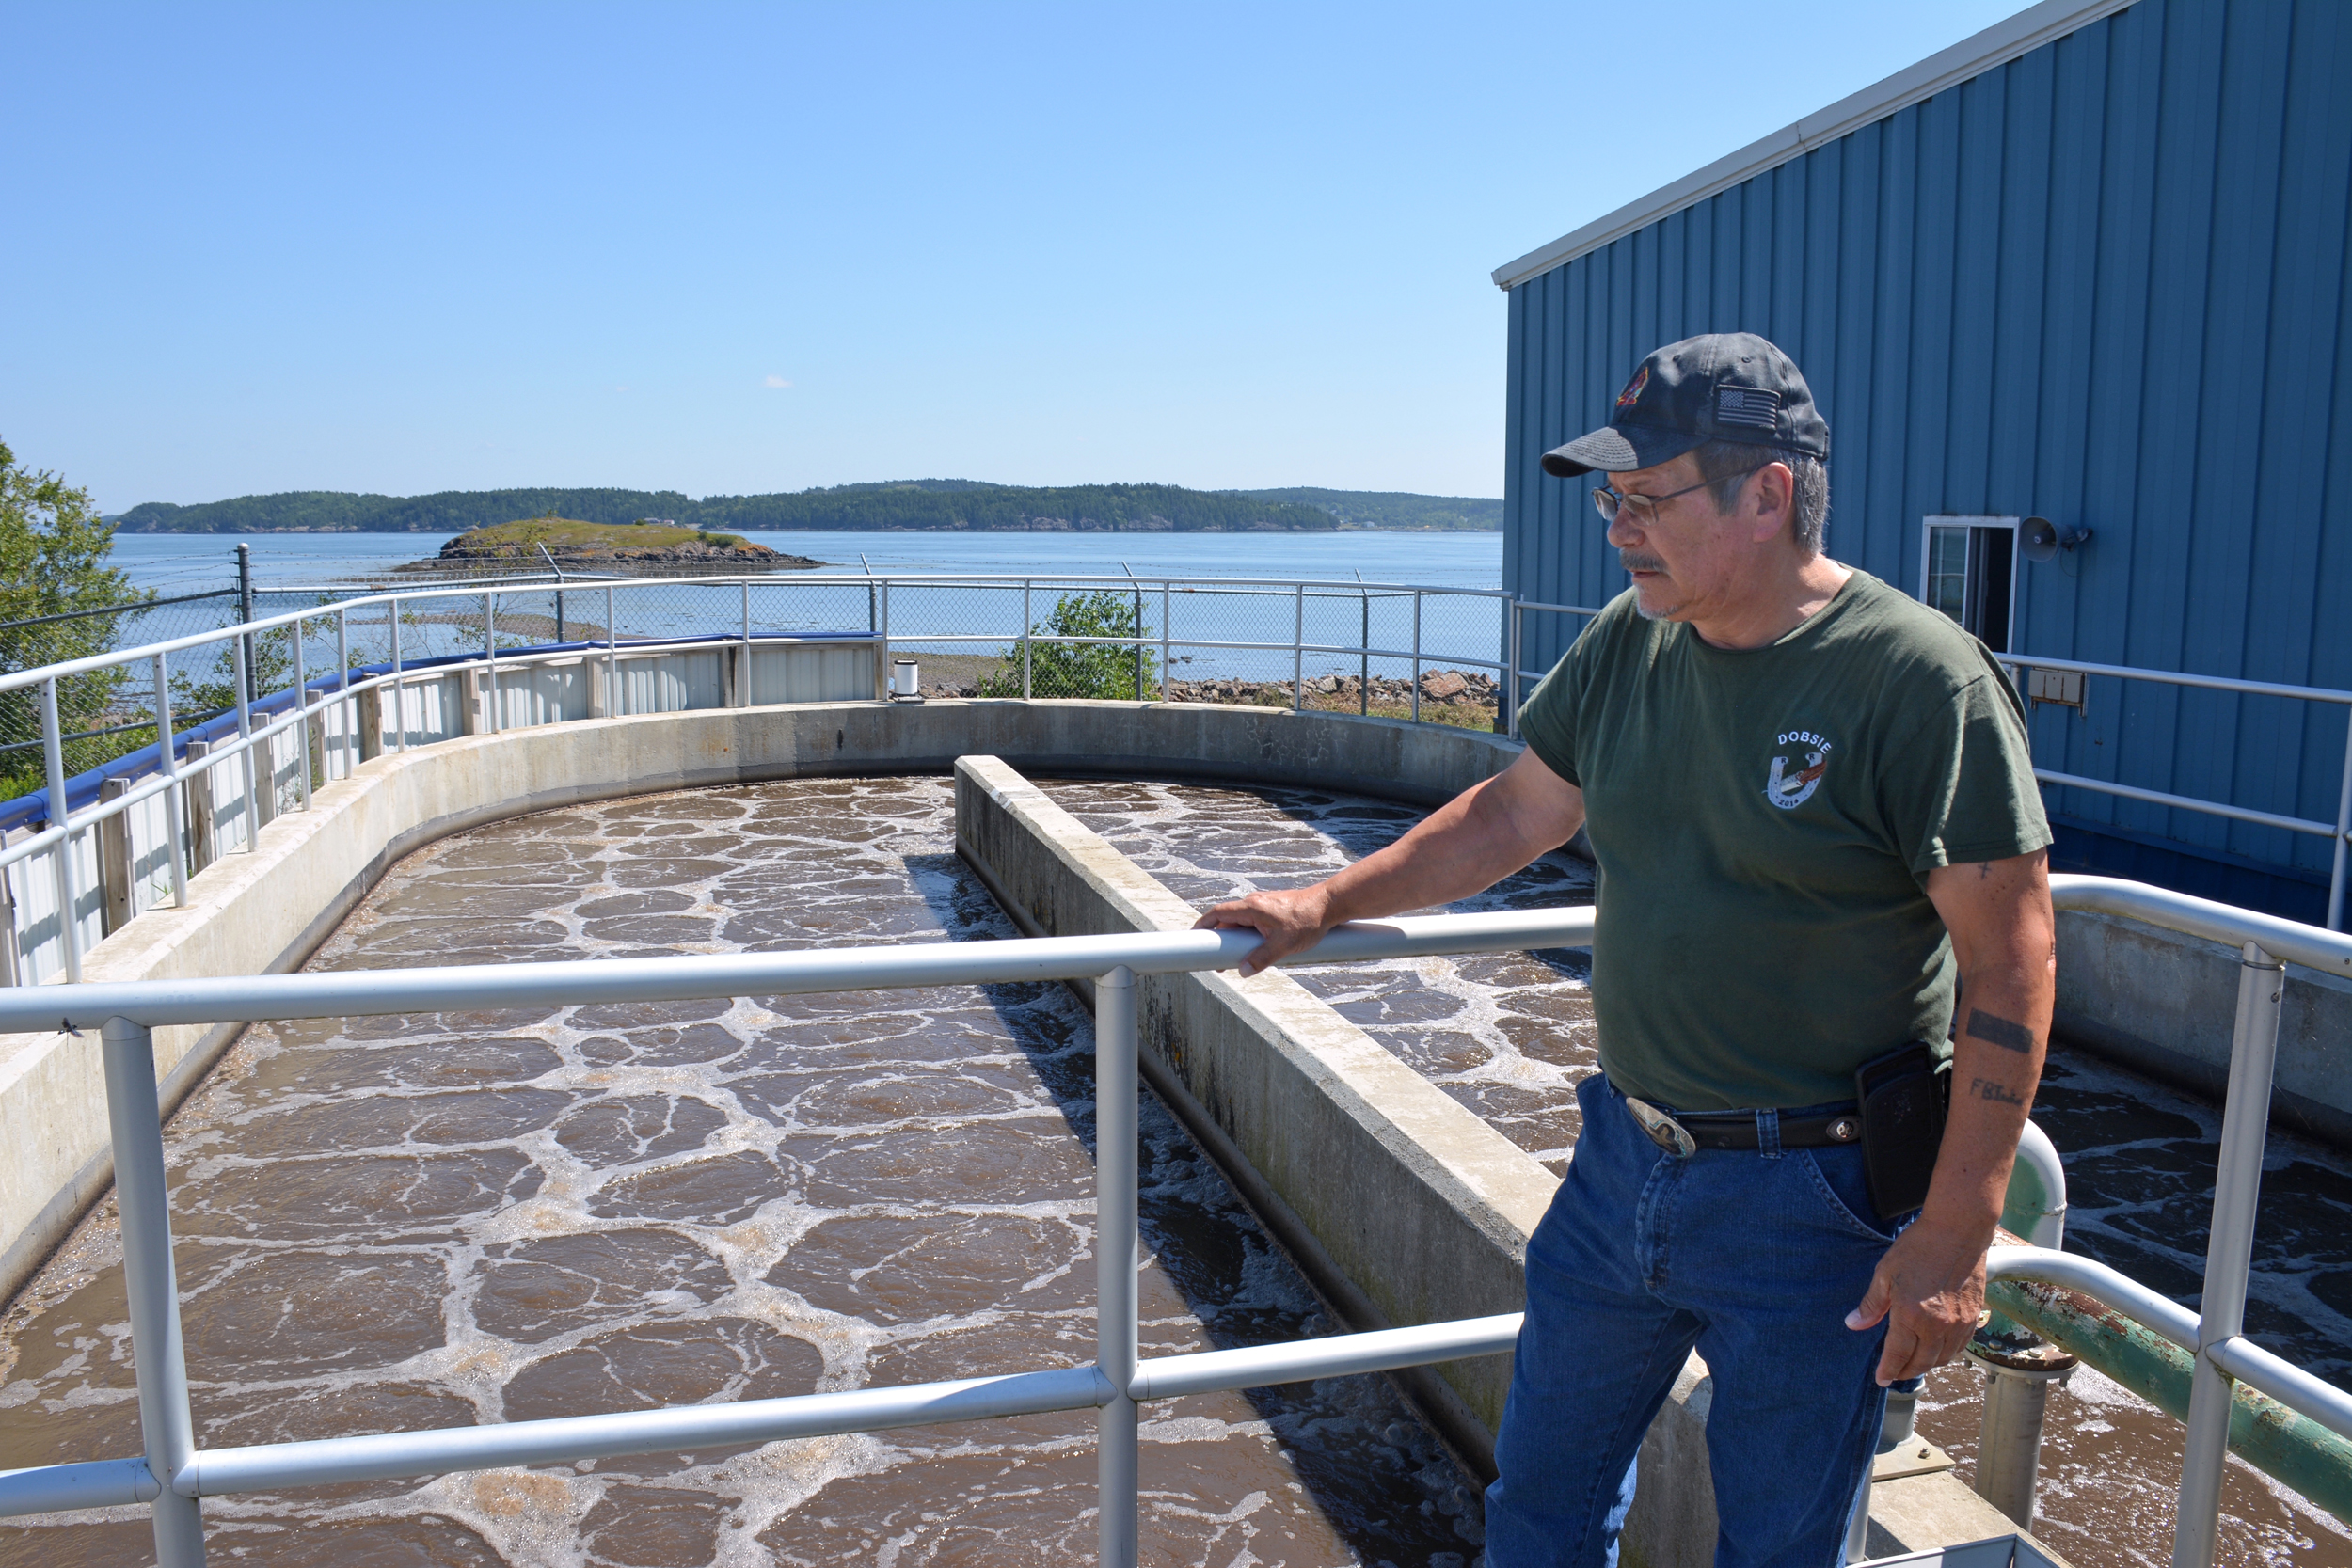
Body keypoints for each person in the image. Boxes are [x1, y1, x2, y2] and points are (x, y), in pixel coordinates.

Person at [1196, 332, 2055, 1567]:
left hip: (1816, 1198)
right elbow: (1513, 815)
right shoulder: (1631, 641)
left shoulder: (1918, 682)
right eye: (1614, 498)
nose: (1619, 528)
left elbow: (2012, 967)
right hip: (1622, 1159)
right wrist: (1324, 901)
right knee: (1541, 1507)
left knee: (1778, 1545)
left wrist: (1954, 1240)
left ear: (1766, 496)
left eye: (1650, 498)